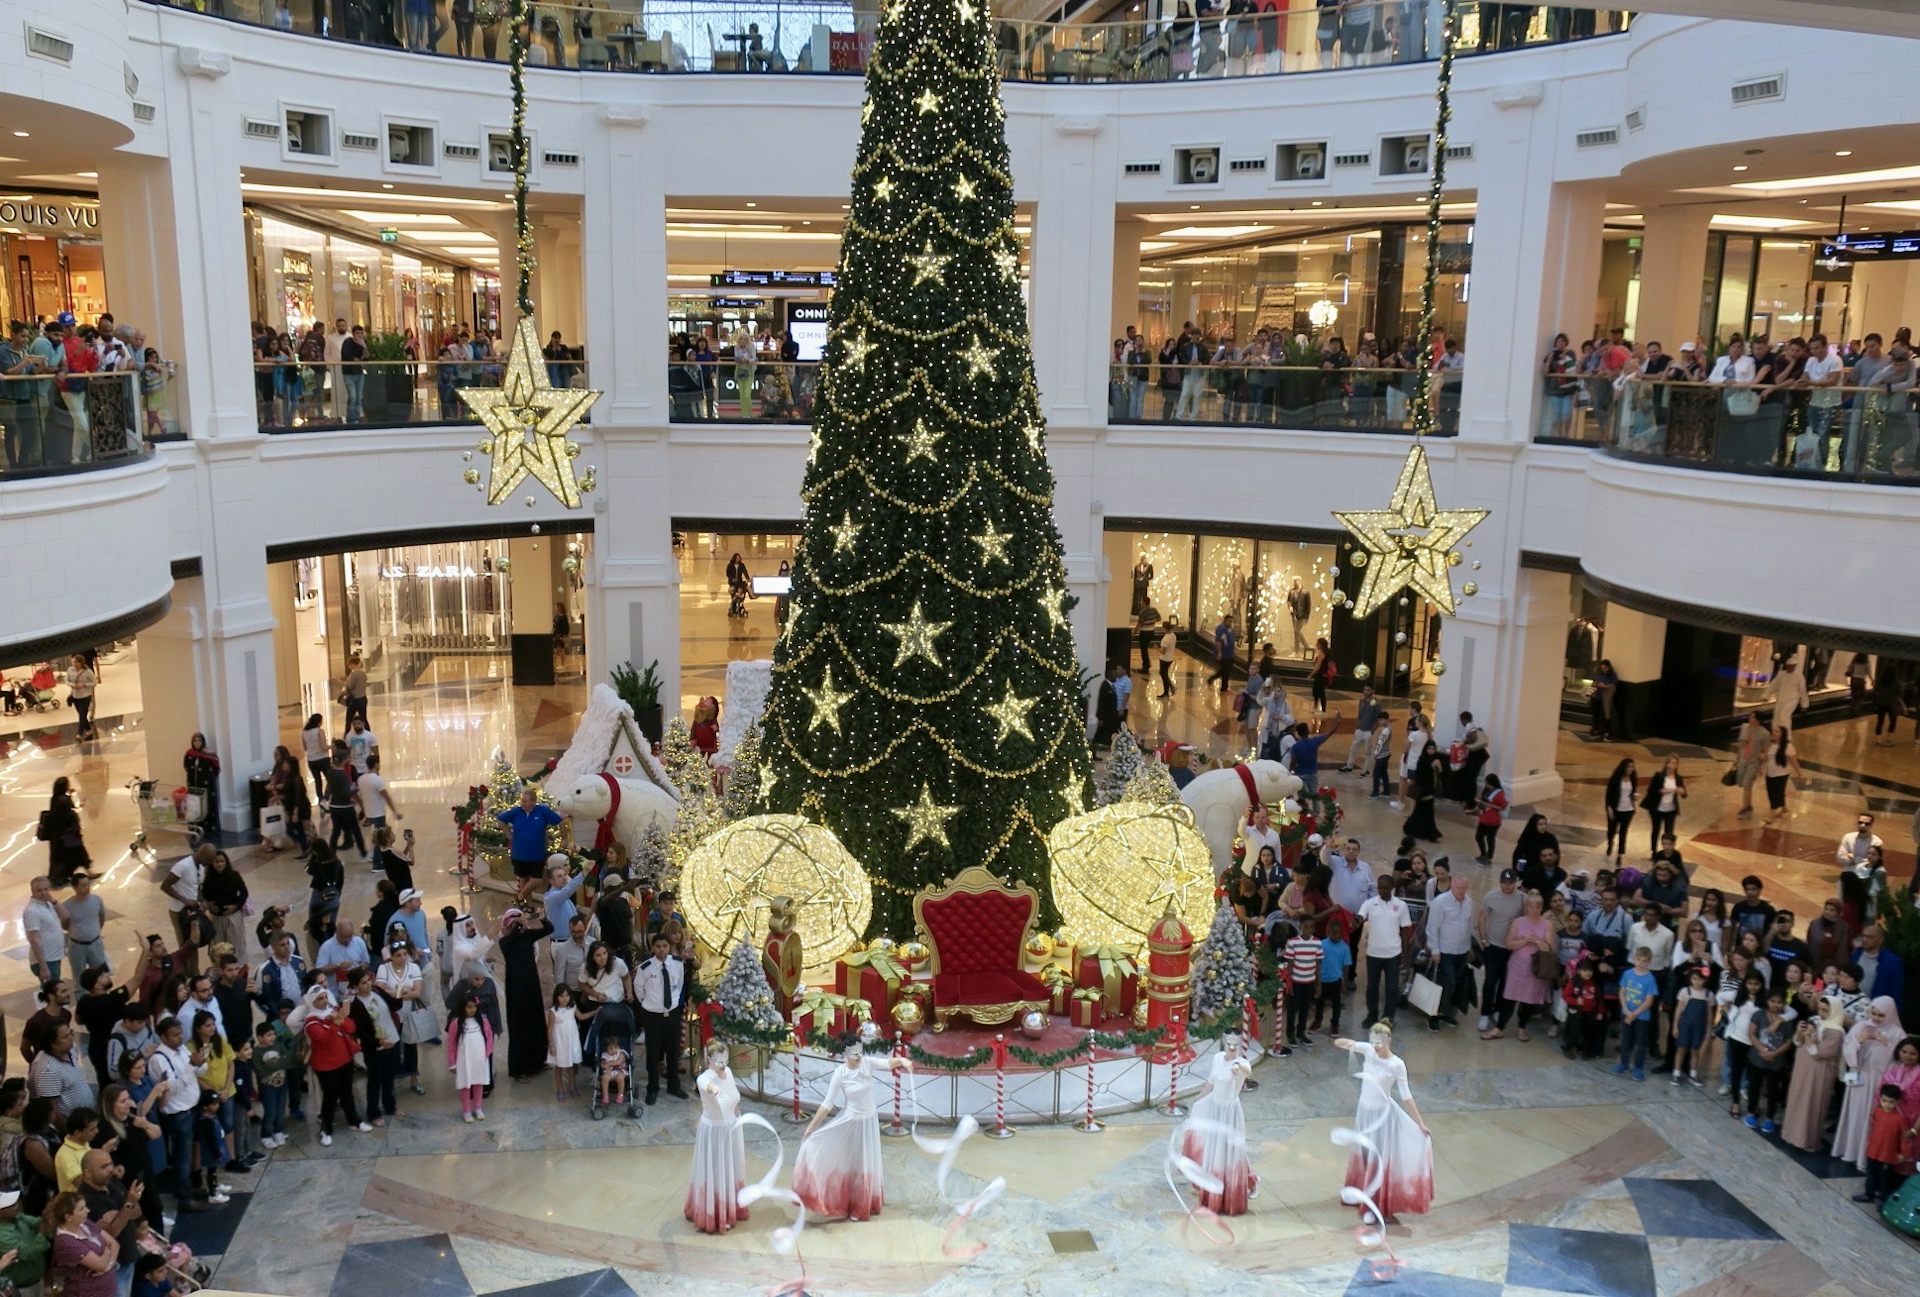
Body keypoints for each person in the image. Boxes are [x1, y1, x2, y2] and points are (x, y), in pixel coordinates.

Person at [792, 1042, 911, 1222]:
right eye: (854, 1053)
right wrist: (811, 1128)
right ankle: (851, 1202)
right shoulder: (840, 1073)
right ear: (846, 1054)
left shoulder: (867, 1063)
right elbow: (827, 1103)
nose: (858, 1056)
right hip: (852, 1122)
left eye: (859, 1052)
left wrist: (902, 1059)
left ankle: (867, 1202)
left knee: (867, 1163)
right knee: (852, 1162)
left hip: (869, 1120)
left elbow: (888, 1063)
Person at [1333, 1024, 1432, 1224]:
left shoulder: (1397, 1064)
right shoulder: (1369, 1051)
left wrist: (1420, 1123)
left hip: (1381, 1116)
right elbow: (1339, 1043)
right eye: (1372, 1041)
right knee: (1363, 1153)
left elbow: (1406, 1096)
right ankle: (1359, 1189)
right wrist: (1349, 1044)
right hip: (1364, 1111)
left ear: (1389, 1040)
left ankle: (1374, 1203)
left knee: (1376, 1159)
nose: (1375, 1046)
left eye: (1379, 1042)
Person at [1178, 1032, 1256, 1216]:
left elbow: (1245, 1070)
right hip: (1213, 1107)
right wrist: (1197, 1102)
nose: (1231, 1046)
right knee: (1211, 1149)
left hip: (1229, 1112)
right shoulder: (1217, 1058)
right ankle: (1210, 1189)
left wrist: (1237, 1067)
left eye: (1235, 1044)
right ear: (1223, 1041)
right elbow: (1211, 1083)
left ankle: (1240, 1186)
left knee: (1231, 1153)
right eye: (1228, 1042)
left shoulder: (1243, 1063)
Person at [685, 1041, 749, 1233]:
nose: (722, 1064)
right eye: (718, 1061)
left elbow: (731, 1093)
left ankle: (730, 1206)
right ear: (709, 1060)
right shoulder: (703, 1079)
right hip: (714, 1130)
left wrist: (735, 1109)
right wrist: (715, 1089)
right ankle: (714, 1211)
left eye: (725, 1060)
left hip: (730, 1127)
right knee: (715, 1168)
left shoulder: (728, 1073)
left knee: (731, 1166)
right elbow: (709, 1087)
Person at [1835, 997, 1906, 1170]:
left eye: (1881, 1015)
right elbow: (1847, 1050)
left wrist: (1886, 1044)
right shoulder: (1861, 1026)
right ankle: (1849, 1150)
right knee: (1855, 1113)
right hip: (1858, 1075)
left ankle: (1866, 1157)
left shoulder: (1897, 1033)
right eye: (1873, 1013)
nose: (1875, 1018)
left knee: (1871, 1116)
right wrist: (1859, 1040)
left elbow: (1898, 1061)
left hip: (1878, 1081)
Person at [1486, 891, 1555, 1043]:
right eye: (1531, 906)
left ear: (1542, 908)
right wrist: (1525, 941)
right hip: (1517, 965)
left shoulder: (1547, 924)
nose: (1534, 910)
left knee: (1529, 999)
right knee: (1509, 997)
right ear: (1526, 907)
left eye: (1537, 907)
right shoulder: (1518, 922)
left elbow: (1550, 948)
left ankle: (1522, 1028)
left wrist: (1536, 940)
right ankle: (1499, 1028)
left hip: (1536, 967)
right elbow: (1509, 944)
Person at [1780, 996, 1846, 1150]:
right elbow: (1797, 1042)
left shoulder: (1836, 1031)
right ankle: (1791, 1134)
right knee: (1797, 1097)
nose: (1821, 1013)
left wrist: (1809, 1037)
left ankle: (1806, 1139)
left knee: (1812, 1102)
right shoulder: (1814, 1020)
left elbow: (1819, 1054)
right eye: (1820, 1009)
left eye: (1825, 1010)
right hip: (1803, 1067)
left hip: (1819, 1072)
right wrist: (1799, 1032)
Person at [304, 992, 367, 1147]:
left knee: (347, 1092)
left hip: (345, 1060)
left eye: (325, 997)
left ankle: (354, 1121)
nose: (324, 1001)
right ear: (312, 1002)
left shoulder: (332, 1011)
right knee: (330, 1096)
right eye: (319, 999)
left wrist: (340, 1018)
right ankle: (326, 1128)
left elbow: (351, 1027)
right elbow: (325, 1038)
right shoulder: (311, 1023)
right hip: (326, 1065)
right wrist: (335, 1023)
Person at [496, 909, 552, 1082]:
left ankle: (539, 1061)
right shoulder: (505, 941)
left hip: (532, 986)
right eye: (513, 923)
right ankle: (520, 1070)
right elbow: (509, 942)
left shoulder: (528, 936)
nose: (518, 926)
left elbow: (548, 929)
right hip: (516, 989)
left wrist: (542, 918)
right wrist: (515, 930)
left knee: (536, 1022)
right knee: (520, 1028)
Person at [634, 934, 687, 1104]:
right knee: (653, 1053)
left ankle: (674, 1085)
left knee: (673, 1051)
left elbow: (679, 984)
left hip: (671, 1014)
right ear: (653, 948)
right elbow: (638, 988)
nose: (662, 949)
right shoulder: (645, 968)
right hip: (652, 1016)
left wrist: (673, 1004)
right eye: (658, 946)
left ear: (669, 947)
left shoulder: (677, 964)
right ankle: (653, 1088)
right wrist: (649, 1003)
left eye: (665, 946)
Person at [1355, 876, 1411, 1030]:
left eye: (1385, 888)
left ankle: (1388, 1018)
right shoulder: (1370, 903)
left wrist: (1405, 954)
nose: (1382, 891)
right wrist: (1357, 921)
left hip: (1393, 954)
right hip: (1373, 953)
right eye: (1380, 887)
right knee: (1372, 987)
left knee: (1392, 988)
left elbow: (1405, 929)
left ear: (1392, 887)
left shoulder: (1401, 905)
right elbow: (1361, 916)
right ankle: (1372, 1015)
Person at [41, 1190, 117, 1297]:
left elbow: (114, 1243)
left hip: (108, 1290)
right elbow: (100, 1264)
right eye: (81, 1209)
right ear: (68, 1216)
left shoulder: (84, 1223)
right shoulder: (66, 1243)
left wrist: (109, 1264)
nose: (88, 1210)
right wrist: (107, 1251)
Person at [497, 787, 563, 904]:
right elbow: (501, 820)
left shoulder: (542, 811)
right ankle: (529, 907)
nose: (522, 803)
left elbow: (560, 821)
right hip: (519, 854)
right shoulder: (516, 811)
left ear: (533, 801)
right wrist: (508, 833)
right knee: (523, 880)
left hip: (536, 854)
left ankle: (520, 896)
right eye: (522, 800)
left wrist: (565, 838)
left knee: (536, 880)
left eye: (525, 801)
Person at [1612, 947, 1660, 1082]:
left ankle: (1638, 1068)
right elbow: (1622, 992)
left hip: (1642, 1017)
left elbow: (1649, 1001)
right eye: (1639, 960)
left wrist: (1634, 1014)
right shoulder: (1628, 974)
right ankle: (1624, 1063)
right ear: (1634, 959)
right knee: (1626, 1040)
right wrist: (1626, 1010)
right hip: (1627, 1013)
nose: (1641, 963)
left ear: (1649, 962)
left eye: (1644, 961)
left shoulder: (1650, 979)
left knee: (1640, 1043)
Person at [42, 779, 89, 889]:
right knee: (79, 852)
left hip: (57, 835)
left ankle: (59, 877)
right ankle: (87, 870)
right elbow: (71, 812)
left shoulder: (54, 799)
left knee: (59, 857)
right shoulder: (65, 799)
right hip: (68, 834)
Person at [1639, 757, 1685, 857]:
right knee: (1656, 830)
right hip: (1657, 809)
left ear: (1676, 765)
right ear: (1666, 764)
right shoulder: (1658, 776)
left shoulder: (1678, 778)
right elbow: (1650, 791)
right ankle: (1654, 851)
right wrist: (1661, 791)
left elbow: (1684, 794)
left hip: (1671, 810)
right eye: (1669, 763)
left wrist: (1682, 792)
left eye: (1674, 763)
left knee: (1669, 833)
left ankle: (1667, 853)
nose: (1671, 765)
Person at [1732, 713, 1770, 817]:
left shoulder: (1765, 734)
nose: (1749, 718)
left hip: (1754, 762)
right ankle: (1749, 805)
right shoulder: (1744, 728)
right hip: (1743, 760)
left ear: (1758, 720)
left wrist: (1762, 766)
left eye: (1752, 717)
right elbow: (1741, 746)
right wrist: (1737, 759)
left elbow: (1767, 751)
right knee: (1743, 783)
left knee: (1747, 783)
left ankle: (1745, 807)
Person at [548, 986, 582, 1100]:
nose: (565, 999)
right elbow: (550, 1029)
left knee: (571, 1065)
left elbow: (581, 1016)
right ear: (556, 997)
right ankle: (560, 1089)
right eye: (561, 996)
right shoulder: (553, 1011)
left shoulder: (572, 1007)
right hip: (560, 1043)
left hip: (571, 1041)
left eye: (567, 995)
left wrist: (596, 1012)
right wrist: (551, 1045)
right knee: (559, 1066)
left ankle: (572, 1086)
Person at [182, 734, 220, 835]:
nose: (197, 743)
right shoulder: (189, 754)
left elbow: (215, 768)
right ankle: (195, 829)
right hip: (194, 786)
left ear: (203, 742)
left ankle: (209, 830)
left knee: (207, 806)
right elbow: (186, 767)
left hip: (206, 787)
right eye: (195, 741)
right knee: (194, 807)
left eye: (199, 741)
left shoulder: (209, 755)